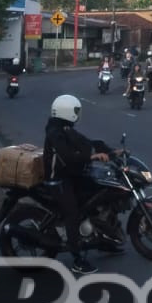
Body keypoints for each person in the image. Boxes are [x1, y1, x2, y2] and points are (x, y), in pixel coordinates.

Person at [43, 94, 114, 276]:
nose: (78, 114)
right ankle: (77, 259)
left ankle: (104, 238)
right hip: (57, 179)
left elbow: (87, 143)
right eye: (75, 110)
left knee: (96, 193)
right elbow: (67, 155)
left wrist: (111, 151)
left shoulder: (66, 128)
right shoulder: (54, 132)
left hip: (70, 175)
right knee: (72, 213)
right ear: (66, 111)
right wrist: (91, 157)